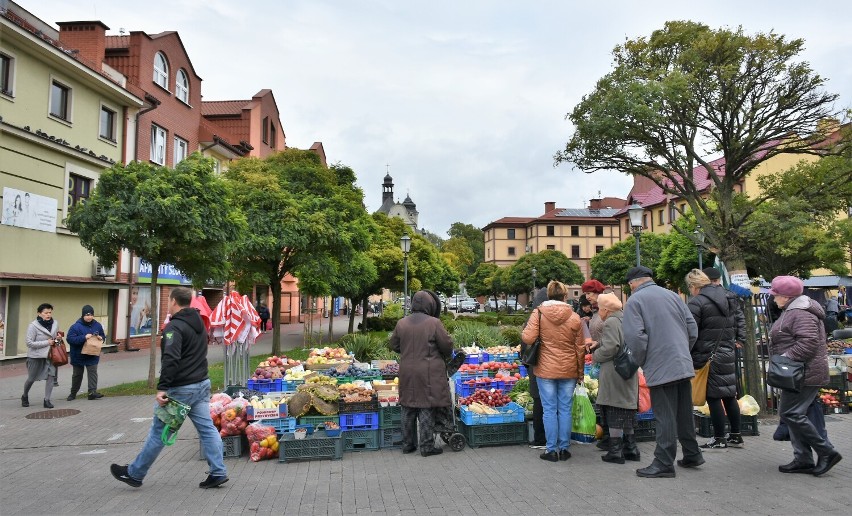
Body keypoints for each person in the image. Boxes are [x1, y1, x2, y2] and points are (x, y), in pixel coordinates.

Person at [111, 287, 228, 489]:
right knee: (208, 430)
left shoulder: (174, 328)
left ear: (173, 301)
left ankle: (134, 474)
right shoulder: (199, 323)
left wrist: (162, 387)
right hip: (201, 384)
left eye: (168, 301)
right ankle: (218, 472)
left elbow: (171, 359)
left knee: (158, 432)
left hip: (181, 389)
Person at [622, 266, 702, 478]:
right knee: (684, 412)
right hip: (681, 361)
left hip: (660, 363)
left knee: (664, 415)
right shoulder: (673, 296)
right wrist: (682, 349)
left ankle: (664, 462)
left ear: (632, 283)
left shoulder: (634, 301)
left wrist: (642, 360)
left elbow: (635, 337)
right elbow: (692, 328)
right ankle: (693, 454)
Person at [767, 276, 842, 477]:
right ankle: (803, 458)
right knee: (791, 414)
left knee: (791, 413)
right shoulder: (793, 311)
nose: (773, 299)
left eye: (775, 295)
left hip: (804, 373)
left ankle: (826, 451)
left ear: (785, 296)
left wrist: (784, 358)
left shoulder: (800, 313)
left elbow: (808, 343)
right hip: (797, 373)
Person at [521, 280, 586, 462]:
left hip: (545, 368)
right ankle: (564, 449)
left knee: (549, 410)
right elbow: (580, 348)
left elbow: (527, 337)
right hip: (569, 369)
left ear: (548, 295)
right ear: (565, 295)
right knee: (565, 409)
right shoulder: (574, 317)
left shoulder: (539, 313)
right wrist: (580, 373)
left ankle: (551, 450)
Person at [390, 290, 454, 457]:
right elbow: (447, 347)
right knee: (425, 406)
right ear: (429, 305)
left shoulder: (401, 323)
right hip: (428, 372)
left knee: (408, 406)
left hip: (406, 371)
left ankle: (407, 444)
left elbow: (394, 345)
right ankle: (426, 446)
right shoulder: (434, 323)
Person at [686, 269, 742, 449]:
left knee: (713, 396)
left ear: (694, 286)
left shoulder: (697, 302)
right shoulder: (729, 297)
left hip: (707, 354)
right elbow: (738, 321)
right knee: (729, 394)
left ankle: (719, 438)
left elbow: (691, 331)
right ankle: (735, 435)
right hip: (727, 351)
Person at [591, 292, 639, 464]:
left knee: (614, 409)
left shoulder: (610, 322)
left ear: (605, 309)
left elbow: (612, 347)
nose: (598, 312)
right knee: (626, 409)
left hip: (615, 371)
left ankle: (616, 451)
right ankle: (631, 448)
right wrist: (600, 343)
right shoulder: (624, 318)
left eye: (599, 309)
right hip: (628, 368)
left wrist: (596, 354)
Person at [581, 279, 609, 450]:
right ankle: (606, 434)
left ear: (598, 293)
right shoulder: (597, 312)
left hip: (605, 361)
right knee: (602, 399)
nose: (587, 297)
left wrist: (597, 343)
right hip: (598, 360)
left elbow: (611, 336)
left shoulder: (607, 311)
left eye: (590, 293)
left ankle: (610, 436)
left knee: (606, 400)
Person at [524, 287, 549, 448]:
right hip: (560, 366)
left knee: (539, 401)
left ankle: (541, 438)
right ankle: (560, 439)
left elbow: (525, 341)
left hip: (538, 365)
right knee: (557, 404)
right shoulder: (569, 316)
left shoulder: (534, 318)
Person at [22, 303, 60, 408]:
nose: (48, 315)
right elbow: (29, 343)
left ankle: (47, 400)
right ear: (39, 313)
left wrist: (58, 339)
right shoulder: (33, 326)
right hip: (36, 356)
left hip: (50, 355)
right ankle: (25, 395)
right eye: (45, 313)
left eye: (50, 312)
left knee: (51, 376)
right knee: (31, 378)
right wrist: (47, 342)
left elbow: (55, 338)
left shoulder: (55, 323)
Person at [66, 305, 106, 401]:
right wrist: (84, 337)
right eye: (87, 315)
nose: (89, 317)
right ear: (83, 315)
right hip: (78, 355)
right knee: (77, 375)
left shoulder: (97, 325)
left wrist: (101, 338)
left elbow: (103, 336)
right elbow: (70, 339)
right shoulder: (75, 326)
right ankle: (73, 393)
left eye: (91, 315)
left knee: (93, 373)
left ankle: (92, 392)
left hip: (92, 354)